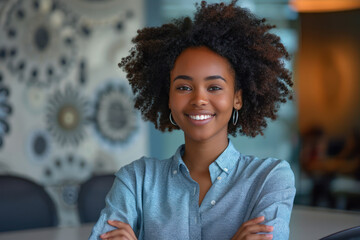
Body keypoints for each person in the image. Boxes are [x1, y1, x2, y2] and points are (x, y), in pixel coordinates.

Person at [89, 1, 296, 239]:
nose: (199, 99)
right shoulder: (136, 180)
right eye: (184, 87)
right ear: (169, 97)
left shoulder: (269, 178)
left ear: (237, 98)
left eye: (215, 87)